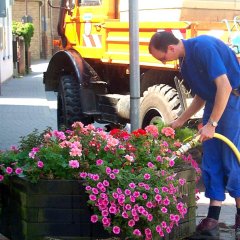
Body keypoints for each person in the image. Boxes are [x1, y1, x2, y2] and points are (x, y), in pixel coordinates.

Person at [148, 31, 240, 239]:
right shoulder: (184, 61)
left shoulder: (203, 47)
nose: (163, 62)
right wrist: (181, 119)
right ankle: (213, 217)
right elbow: (201, 95)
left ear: (170, 48)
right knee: (211, 159)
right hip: (215, 102)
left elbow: (224, 86)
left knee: (232, 159)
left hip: (232, 100)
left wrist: (212, 124)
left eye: (162, 57)